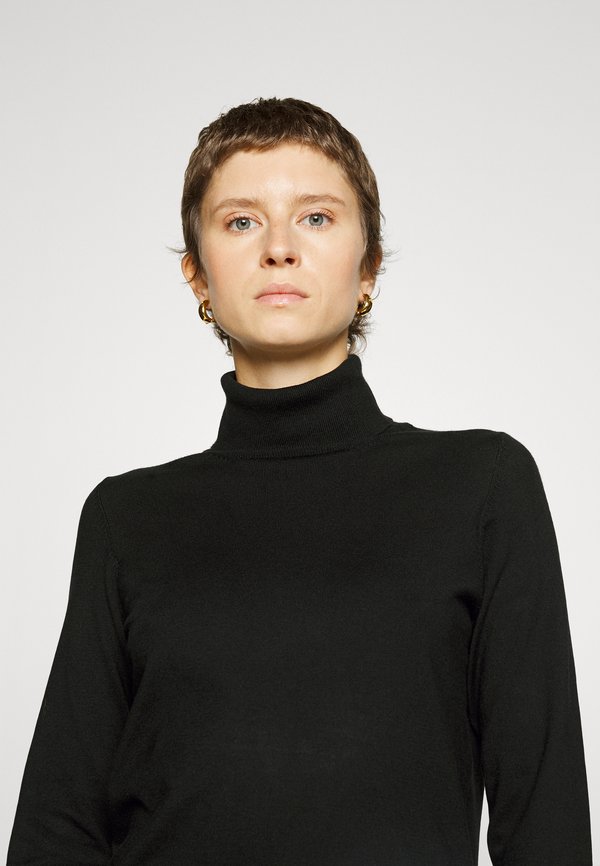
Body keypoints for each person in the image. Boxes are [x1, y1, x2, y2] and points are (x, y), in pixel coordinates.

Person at [7, 97, 592, 865]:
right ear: (198, 276)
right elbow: (56, 829)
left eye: (315, 217)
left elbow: (546, 824)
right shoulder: (126, 517)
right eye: (241, 221)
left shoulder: (483, 488)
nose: (279, 248)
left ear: (368, 266)